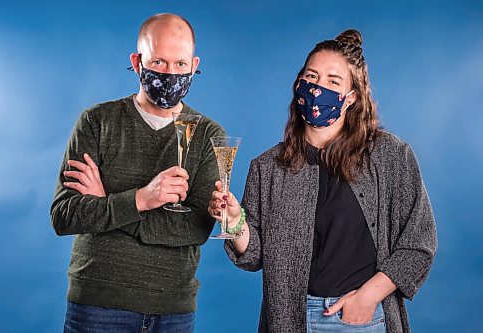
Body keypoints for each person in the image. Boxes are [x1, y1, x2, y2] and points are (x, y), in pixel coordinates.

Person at [208, 29, 437, 333]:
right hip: (289, 320)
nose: (318, 89)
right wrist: (235, 223)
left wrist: (368, 298)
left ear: (352, 97)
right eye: (311, 77)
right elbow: (253, 257)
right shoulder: (268, 167)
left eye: (333, 81)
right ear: (298, 83)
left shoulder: (390, 156)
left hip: (362, 319)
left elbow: (419, 244)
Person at [51, 13, 224, 332]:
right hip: (97, 304)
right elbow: (65, 215)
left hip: (172, 308)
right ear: (138, 60)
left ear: (194, 63)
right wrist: (142, 199)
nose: (171, 74)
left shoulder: (207, 134)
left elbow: (195, 227)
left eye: (181, 64)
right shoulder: (96, 122)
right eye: (159, 62)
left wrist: (108, 204)